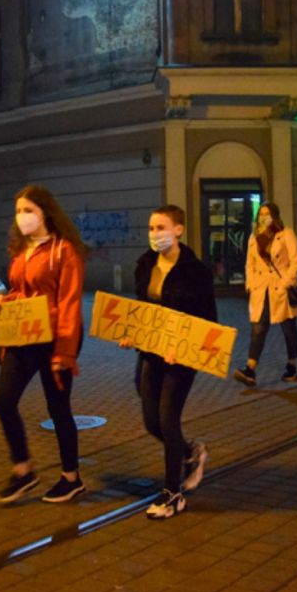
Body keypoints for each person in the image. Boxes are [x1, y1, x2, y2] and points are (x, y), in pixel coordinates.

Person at [0, 185, 87, 504]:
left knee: (58, 407)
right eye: (18, 211)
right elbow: (23, 290)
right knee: (3, 400)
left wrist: (65, 352)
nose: (22, 217)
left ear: (44, 212)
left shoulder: (64, 250)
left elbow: (70, 303)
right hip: (25, 335)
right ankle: (24, 470)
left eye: (27, 210)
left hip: (56, 337)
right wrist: (7, 299)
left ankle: (71, 477)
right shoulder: (21, 250)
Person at [120, 205, 214, 520]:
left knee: (167, 419)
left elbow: (207, 319)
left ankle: (172, 494)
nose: (154, 234)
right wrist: (130, 332)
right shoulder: (145, 265)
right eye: (151, 228)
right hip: (151, 352)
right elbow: (142, 308)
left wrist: (185, 345)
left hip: (181, 357)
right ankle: (191, 452)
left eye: (161, 228)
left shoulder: (195, 271)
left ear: (178, 230)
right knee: (152, 421)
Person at [234, 203, 297, 386]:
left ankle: (292, 365)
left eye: (268, 214)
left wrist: (284, 283)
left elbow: (296, 261)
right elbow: (249, 263)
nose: (264, 217)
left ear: (275, 215)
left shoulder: (286, 234)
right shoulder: (254, 236)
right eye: (261, 214)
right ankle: (250, 370)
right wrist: (250, 284)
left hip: (281, 289)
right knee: (258, 328)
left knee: (288, 329)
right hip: (261, 289)